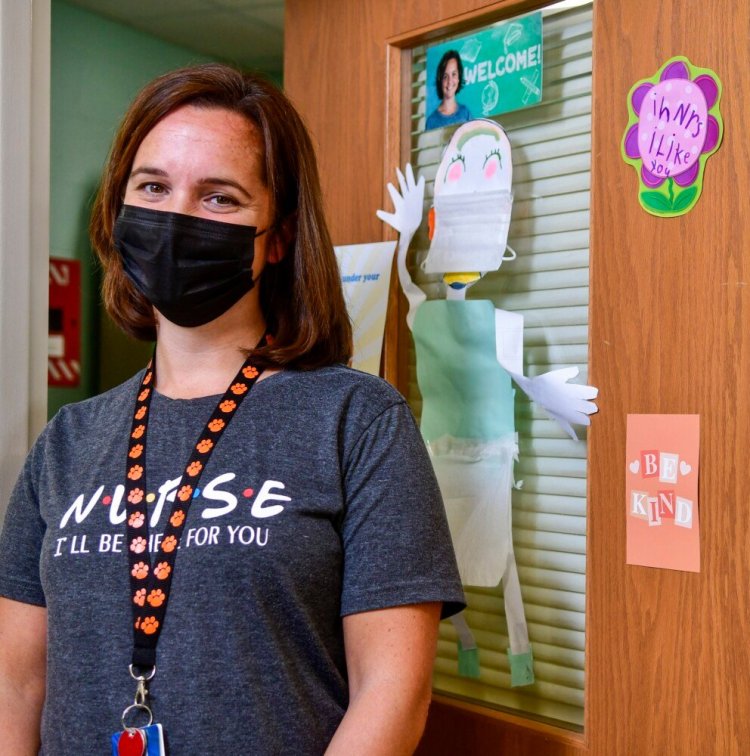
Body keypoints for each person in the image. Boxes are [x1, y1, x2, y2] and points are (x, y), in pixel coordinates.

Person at [0, 63, 464, 755]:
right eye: (153, 187)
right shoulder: (69, 440)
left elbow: (393, 693)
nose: (177, 217)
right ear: (120, 210)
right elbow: (17, 686)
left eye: (219, 198)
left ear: (276, 238)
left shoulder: (357, 420)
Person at [425, 50, 472, 131]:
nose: (450, 81)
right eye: (445, 76)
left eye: (454, 74)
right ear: (440, 80)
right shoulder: (431, 122)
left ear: (458, 78)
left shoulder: (465, 113)